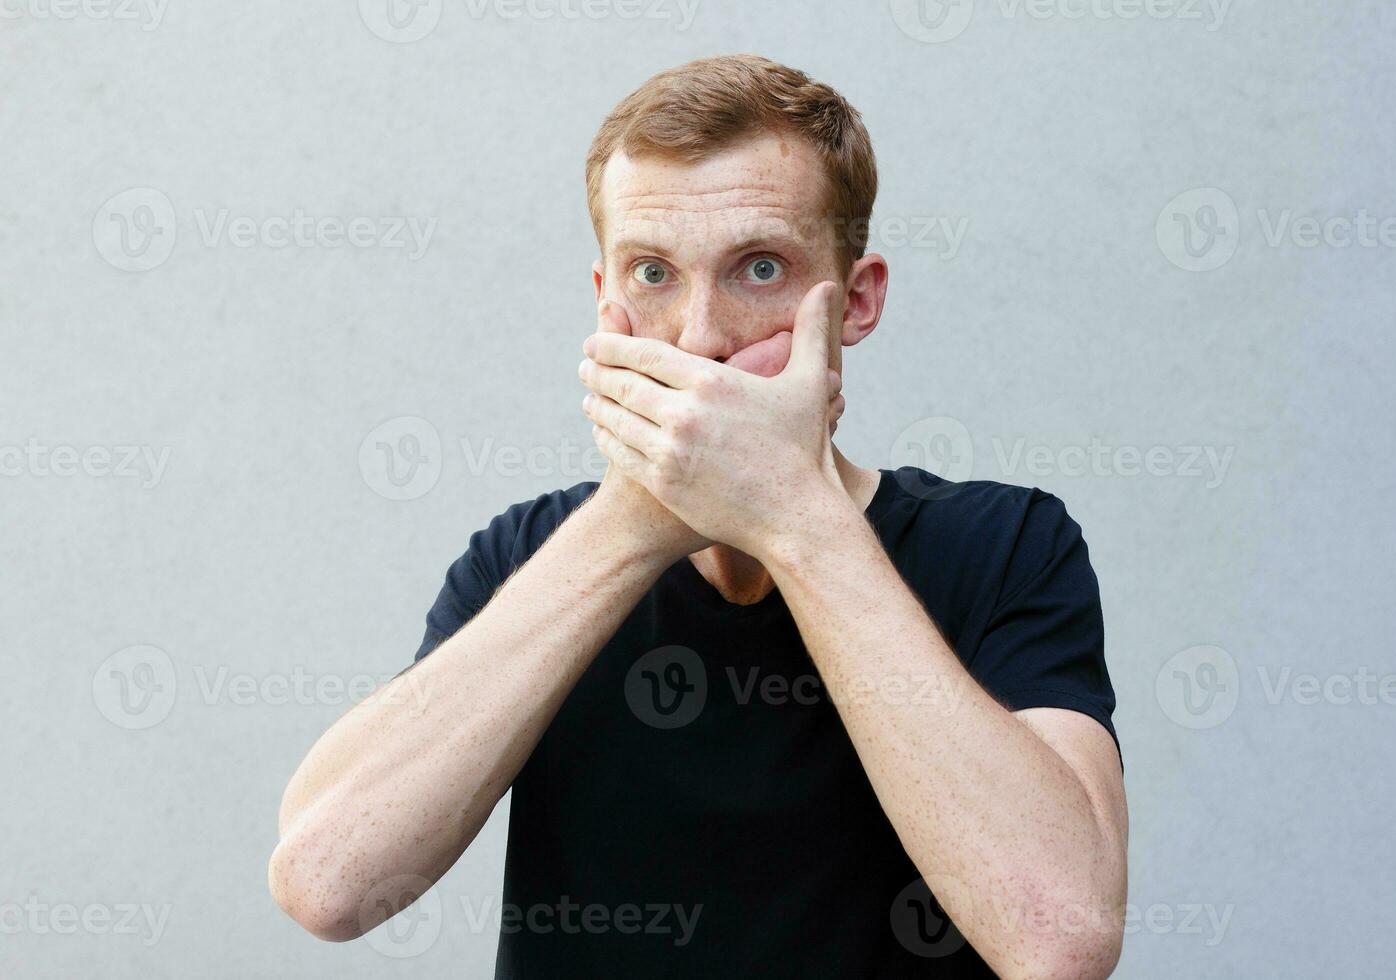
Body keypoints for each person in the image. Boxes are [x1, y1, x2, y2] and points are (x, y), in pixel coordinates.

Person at [269, 53, 1128, 979]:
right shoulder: (524, 556)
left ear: (858, 300)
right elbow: (327, 881)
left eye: (760, 268)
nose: (700, 339)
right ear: (605, 303)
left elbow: (1061, 936)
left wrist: (796, 514)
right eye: (652, 273)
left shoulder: (1005, 547)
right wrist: (636, 517)